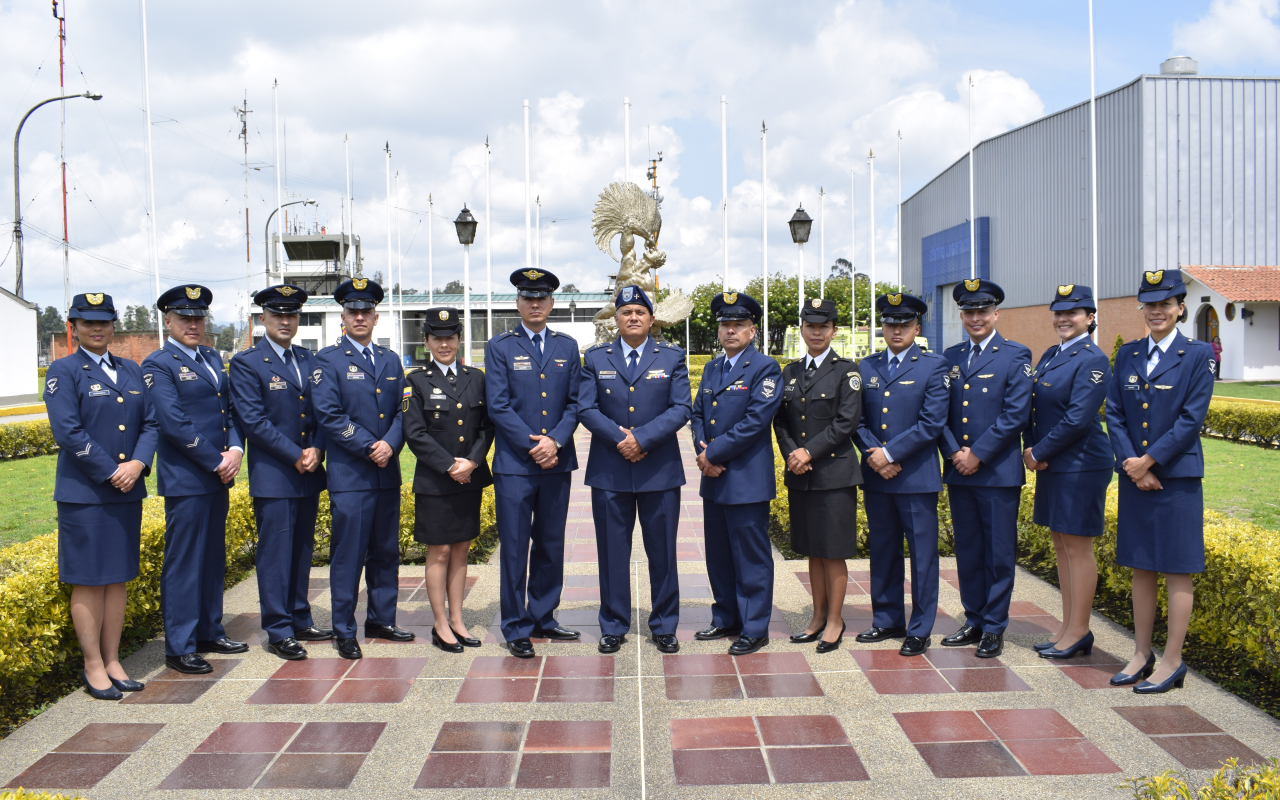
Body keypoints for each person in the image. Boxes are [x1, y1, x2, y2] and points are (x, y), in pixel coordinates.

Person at [44, 293, 159, 699]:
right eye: (87, 322)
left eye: (104, 322)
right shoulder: (64, 371)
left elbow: (151, 423)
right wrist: (112, 470)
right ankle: (93, 665)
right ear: (73, 327)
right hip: (87, 493)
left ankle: (112, 659)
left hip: (127, 489)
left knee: (118, 578)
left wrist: (138, 464)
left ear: (113, 326)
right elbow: (68, 432)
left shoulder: (131, 369)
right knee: (90, 580)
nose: (97, 328)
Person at [1105, 269, 1214, 693]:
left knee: (1177, 569)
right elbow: (1114, 412)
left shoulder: (1198, 353)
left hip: (1176, 478)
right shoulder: (1128, 354)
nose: (1156, 312)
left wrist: (1149, 460)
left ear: (1180, 308)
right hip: (1136, 476)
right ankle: (1140, 653)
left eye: (1165, 304)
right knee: (1142, 566)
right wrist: (1132, 462)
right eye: (1150, 305)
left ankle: (1172, 660)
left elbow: (1192, 418)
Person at [579, 286, 691, 654]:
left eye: (640, 312)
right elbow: (586, 408)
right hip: (610, 470)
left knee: (663, 551)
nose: (633, 317)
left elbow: (680, 408)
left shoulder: (671, 356)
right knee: (612, 551)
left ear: (651, 319)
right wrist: (620, 439)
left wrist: (641, 439)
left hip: (658, 468)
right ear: (616, 319)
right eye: (626, 312)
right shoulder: (596, 357)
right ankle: (613, 624)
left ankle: (664, 624)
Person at [142, 285, 247, 674]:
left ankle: (208, 630)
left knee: (211, 559)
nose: (193, 324)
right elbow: (172, 422)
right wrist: (214, 459)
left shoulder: (210, 356)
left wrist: (235, 450)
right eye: (184, 318)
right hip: (188, 477)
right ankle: (180, 644)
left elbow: (230, 411)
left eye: (198, 317)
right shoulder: (158, 364)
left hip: (219, 474)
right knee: (185, 562)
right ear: (167, 321)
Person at [228, 285, 332, 661]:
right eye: (277, 315)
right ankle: (278, 628)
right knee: (275, 553)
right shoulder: (247, 363)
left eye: (291, 315)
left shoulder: (309, 359)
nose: (285, 321)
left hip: (308, 470)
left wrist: (317, 448)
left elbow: (322, 410)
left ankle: (300, 617)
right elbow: (253, 421)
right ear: (263, 319)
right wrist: (296, 455)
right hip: (276, 474)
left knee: (302, 550)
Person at [485, 268, 582, 658]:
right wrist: (535, 444)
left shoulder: (568, 346)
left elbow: (576, 403)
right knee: (513, 547)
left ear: (552, 303)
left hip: (556, 463)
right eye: (528, 297)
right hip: (515, 464)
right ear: (518, 303)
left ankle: (544, 616)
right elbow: (498, 405)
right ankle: (515, 625)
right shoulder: (500, 347)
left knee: (550, 542)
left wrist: (555, 440)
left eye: (542, 297)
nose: (535, 303)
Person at [312, 278, 412, 660]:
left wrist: (391, 442)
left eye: (366, 312)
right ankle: (344, 628)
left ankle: (382, 620)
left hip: (386, 474)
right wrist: (372, 445)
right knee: (349, 555)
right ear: (343, 316)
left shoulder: (389, 360)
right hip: (351, 475)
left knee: (386, 551)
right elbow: (329, 415)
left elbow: (404, 411)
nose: (359, 317)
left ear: (376, 317)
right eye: (353, 312)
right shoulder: (328, 360)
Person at [939, 279, 1032, 659]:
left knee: (997, 553)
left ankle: (994, 626)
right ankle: (974, 618)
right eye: (968, 312)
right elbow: (937, 413)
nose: (975, 318)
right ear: (961, 315)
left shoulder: (1015, 355)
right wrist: (953, 453)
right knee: (969, 550)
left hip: (996, 472)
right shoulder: (951, 356)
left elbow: (1016, 415)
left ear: (996, 314)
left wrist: (977, 453)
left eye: (982, 311)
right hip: (959, 471)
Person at [854, 293, 950, 657]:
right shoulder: (866, 366)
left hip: (916, 477)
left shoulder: (934, 366)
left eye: (904, 324)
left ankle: (920, 627)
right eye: (891, 323)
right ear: (882, 326)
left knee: (922, 556)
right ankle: (887, 619)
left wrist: (890, 453)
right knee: (883, 551)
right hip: (878, 476)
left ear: (917, 327)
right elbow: (857, 421)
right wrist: (875, 455)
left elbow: (932, 423)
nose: (897, 330)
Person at [1023, 284, 1113, 661]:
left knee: (1078, 548)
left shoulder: (1093, 359)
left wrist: (1037, 452)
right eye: (1058, 313)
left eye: (1072, 313)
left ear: (1090, 318)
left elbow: (1078, 418)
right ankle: (1066, 627)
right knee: (1062, 545)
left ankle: (1079, 630)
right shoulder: (1051, 354)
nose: (1063, 319)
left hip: (1081, 464)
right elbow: (1034, 406)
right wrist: (1033, 447)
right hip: (1054, 462)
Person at [691, 292, 783, 656]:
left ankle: (755, 625)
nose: (730, 330)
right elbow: (698, 413)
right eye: (725, 324)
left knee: (751, 555)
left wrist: (712, 452)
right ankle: (726, 616)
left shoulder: (765, 367)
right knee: (718, 553)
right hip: (713, 477)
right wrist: (703, 450)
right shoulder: (714, 368)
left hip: (745, 478)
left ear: (752, 330)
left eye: (738, 324)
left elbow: (755, 421)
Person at [773, 298, 862, 654]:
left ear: (833, 330)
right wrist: (793, 453)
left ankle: (836, 620)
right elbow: (780, 420)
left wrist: (808, 452)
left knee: (832, 551)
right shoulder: (790, 372)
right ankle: (817, 615)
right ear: (802, 329)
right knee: (811, 550)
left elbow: (846, 423)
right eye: (810, 326)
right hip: (802, 476)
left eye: (823, 327)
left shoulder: (847, 371)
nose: (816, 332)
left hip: (834, 474)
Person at [403, 307, 494, 653]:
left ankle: (458, 619)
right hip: (437, 482)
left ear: (459, 340)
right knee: (439, 551)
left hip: (468, 478)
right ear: (426, 341)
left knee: (461, 550)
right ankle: (440, 624)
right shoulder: (415, 381)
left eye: (450, 337)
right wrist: (449, 465)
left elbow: (487, 426)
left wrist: (471, 461)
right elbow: (414, 432)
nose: (445, 344)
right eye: (437, 338)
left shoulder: (476, 377)